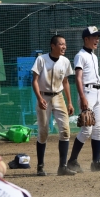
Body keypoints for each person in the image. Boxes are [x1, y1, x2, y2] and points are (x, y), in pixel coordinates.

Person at [67, 26, 100, 172]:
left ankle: (96, 162)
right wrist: (82, 97)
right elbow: (78, 78)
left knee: (98, 129)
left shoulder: (94, 56)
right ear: (86, 39)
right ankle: (72, 161)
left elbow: (96, 79)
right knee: (87, 129)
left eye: (98, 37)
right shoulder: (80, 56)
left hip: (96, 93)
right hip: (86, 93)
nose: (97, 40)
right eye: (94, 37)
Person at [31, 35, 76, 176]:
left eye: (65, 44)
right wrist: (39, 98)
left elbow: (66, 82)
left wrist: (70, 102)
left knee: (65, 131)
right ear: (53, 46)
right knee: (43, 132)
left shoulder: (65, 61)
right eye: (61, 44)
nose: (64, 46)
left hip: (58, 96)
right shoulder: (41, 59)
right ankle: (40, 166)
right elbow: (34, 81)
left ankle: (63, 167)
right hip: (43, 97)